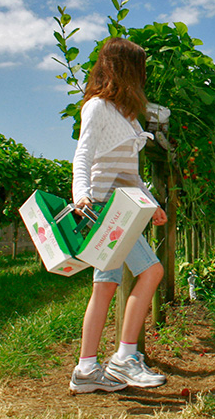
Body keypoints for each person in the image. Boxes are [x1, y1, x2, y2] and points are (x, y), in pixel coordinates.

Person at [68, 37, 169, 394]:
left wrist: (152, 202)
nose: (143, 77)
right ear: (125, 69)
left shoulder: (124, 115)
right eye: (139, 69)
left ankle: (86, 370)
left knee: (105, 286)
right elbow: (83, 156)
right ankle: (124, 359)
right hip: (105, 211)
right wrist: (81, 196)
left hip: (119, 208)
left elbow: (129, 176)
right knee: (151, 271)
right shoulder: (97, 108)